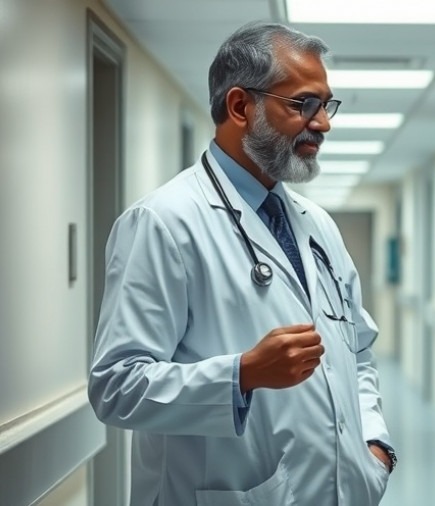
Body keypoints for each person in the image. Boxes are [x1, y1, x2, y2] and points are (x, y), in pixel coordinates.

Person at [88, 22, 395, 506]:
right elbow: (116, 386)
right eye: (303, 104)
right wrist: (242, 374)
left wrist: (375, 447)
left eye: (326, 105)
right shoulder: (163, 222)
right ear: (239, 106)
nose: (323, 123)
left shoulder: (316, 224)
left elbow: (357, 352)